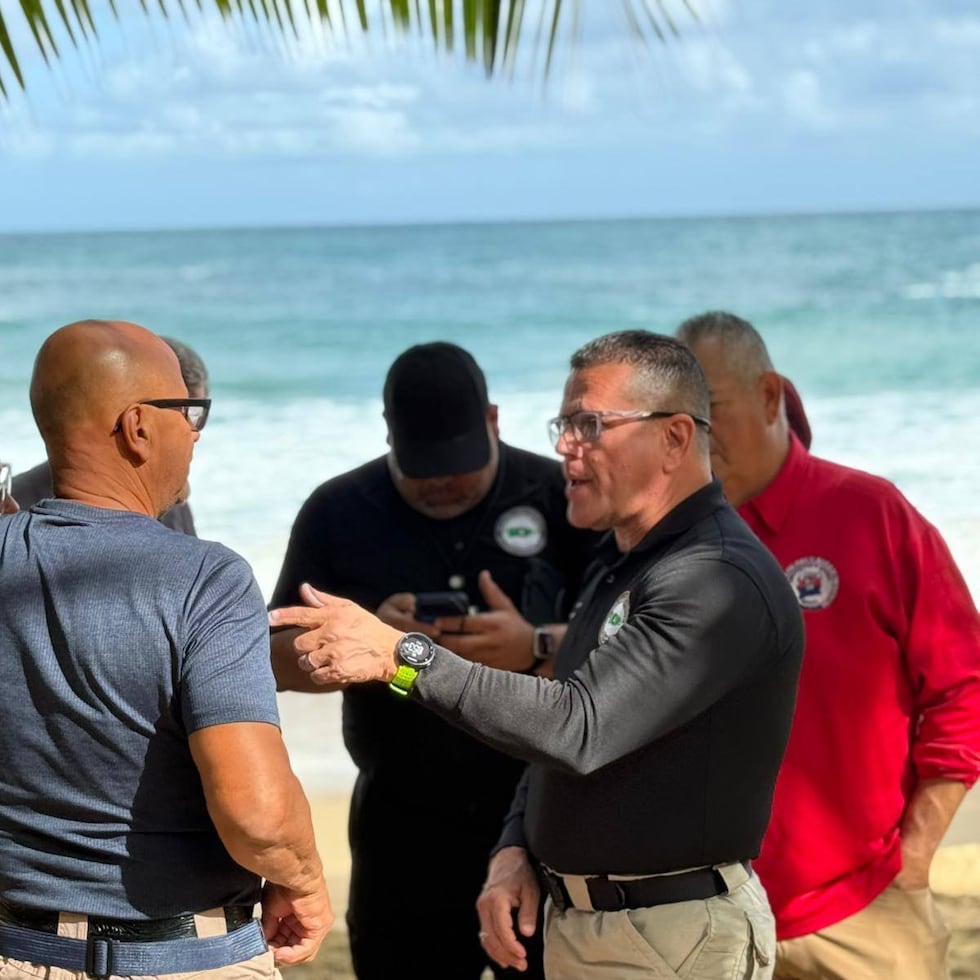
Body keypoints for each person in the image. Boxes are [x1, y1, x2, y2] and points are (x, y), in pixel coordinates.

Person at [270, 330, 806, 980]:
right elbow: (564, 738)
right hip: (497, 871)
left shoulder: (714, 577)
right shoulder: (623, 556)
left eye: (589, 425)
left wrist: (405, 656)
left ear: (673, 439)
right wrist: (517, 846)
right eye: (564, 423)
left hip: (668, 929)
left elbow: (576, 724)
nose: (563, 446)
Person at [0, 319, 332, 978]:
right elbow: (256, 814)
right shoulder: (207, 578)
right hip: (182, 957)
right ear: (137, 426)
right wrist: (307, 882)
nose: (196, 432)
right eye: (186, 411)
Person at [269, 340, 595, 980]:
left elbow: (627, 642)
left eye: (460, 463)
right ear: (388, 435)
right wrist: (362, 645)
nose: (444, 481)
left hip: (538, 817)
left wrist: (534, 643)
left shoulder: (564, 498)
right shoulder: (337, 512)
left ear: (495, 421)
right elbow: (269, 662)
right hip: (401, 823)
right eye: (424, 466)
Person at [675, 310, 980, 979]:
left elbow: (965, 686)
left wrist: (918, 854)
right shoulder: (669, 540)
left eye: (710, 411)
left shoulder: (871, 514)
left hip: (863, 912)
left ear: (768, 395)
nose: (693, 436)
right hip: (705, 919)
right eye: (678, 419)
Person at [10, 334, 208, 535]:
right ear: (138, 426)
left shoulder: (14, 518)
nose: (191, 433)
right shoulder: (17, 503)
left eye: (194, 415)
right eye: (184, 416)